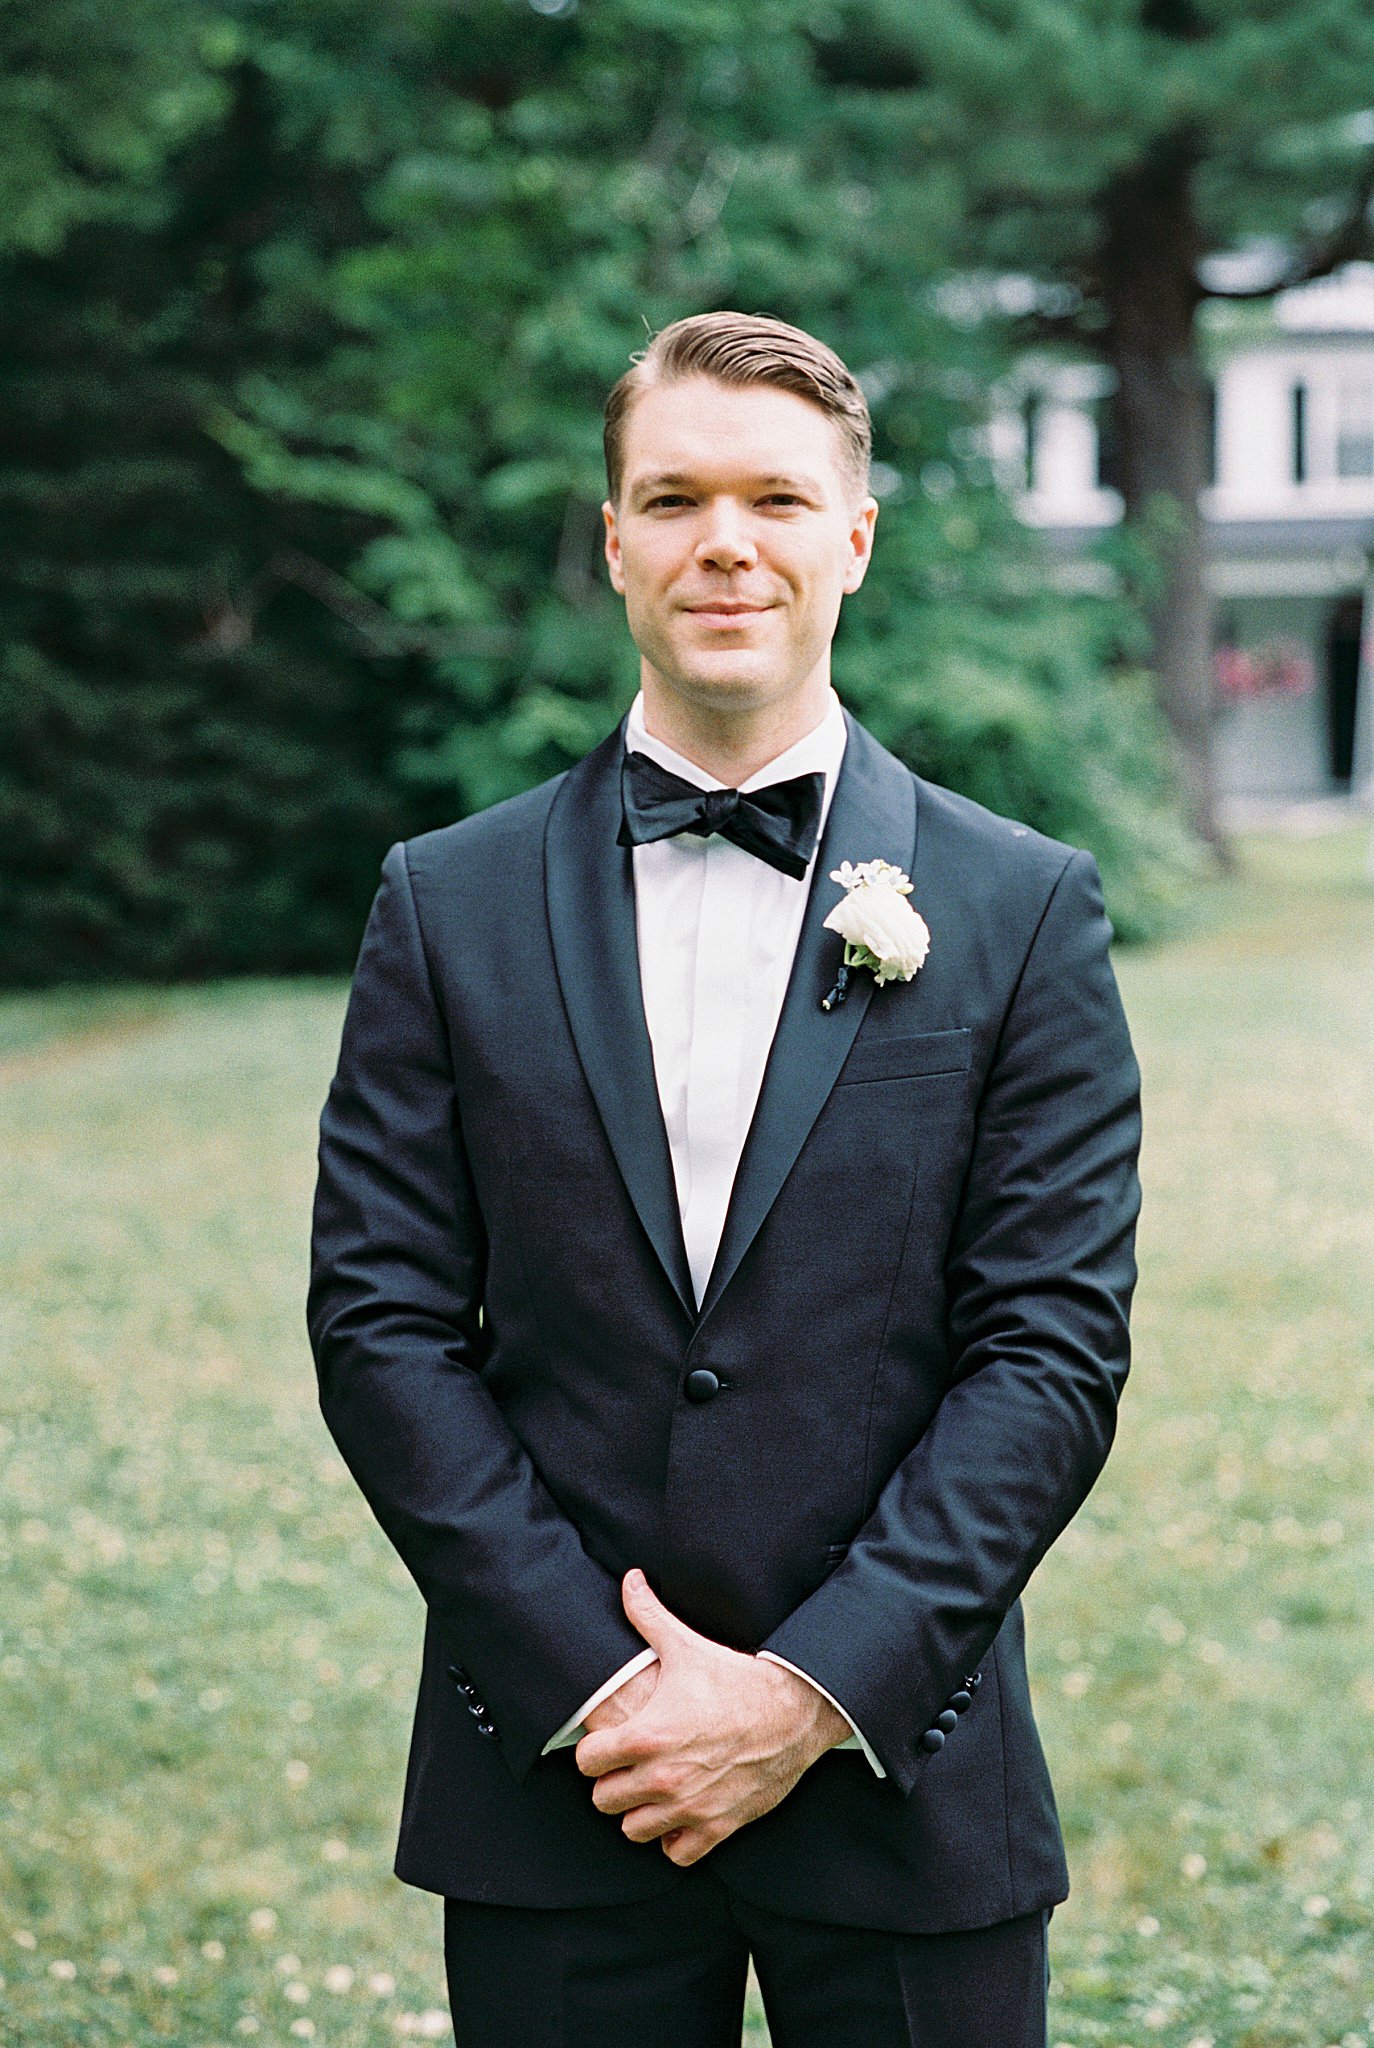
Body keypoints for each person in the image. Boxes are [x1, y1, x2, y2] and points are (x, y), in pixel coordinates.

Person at [307, 310, 1142, 2047]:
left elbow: (1048, 1354)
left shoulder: (1018, 908)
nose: (724, 543)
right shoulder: (441, 904)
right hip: (562, 1773)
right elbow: (382, 1324)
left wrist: (807, 1690)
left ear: (853, 535)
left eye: (774, 496)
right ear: (612, 537)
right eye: (672, 496)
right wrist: (604, 1681)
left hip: (903, 1761)